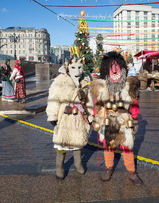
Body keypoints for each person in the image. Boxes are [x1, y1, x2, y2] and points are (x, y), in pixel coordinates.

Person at [90, 51, 143, 185]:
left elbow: (135, 105)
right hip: (108, 119)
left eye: (117, 65)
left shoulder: (129, 85)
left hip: (125, 119)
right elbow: (97, 105)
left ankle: (131, 171)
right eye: (111, 66)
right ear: (106, 68)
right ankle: (109, 168)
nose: (114, 69)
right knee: (108, 146)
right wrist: (97, 117)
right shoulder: (101, 86)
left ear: (122, 67)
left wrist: (135, 119)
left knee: (127, 147)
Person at [46, 56, 94, 180]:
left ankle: (78, 163)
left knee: (78, 140)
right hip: (64, 115)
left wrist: (90, 114)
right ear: (68, 68)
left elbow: (88, 100)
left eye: (79, 67)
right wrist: (52, 115)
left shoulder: (85, 81)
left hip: (79, 116)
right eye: (73, 68)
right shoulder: (60, 80)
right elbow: (53, 98)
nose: (77, 71)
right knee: (62, 142)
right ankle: (59, 166)